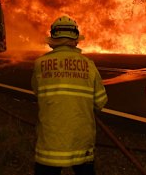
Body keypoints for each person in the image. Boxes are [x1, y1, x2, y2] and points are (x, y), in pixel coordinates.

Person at [31, 15, 108, 175]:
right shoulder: (88, 65)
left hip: (49, 145)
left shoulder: (40, 64)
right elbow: (100, 102)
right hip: (81, 143)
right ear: (76, 40)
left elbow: (39, 94)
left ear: (53, 39)